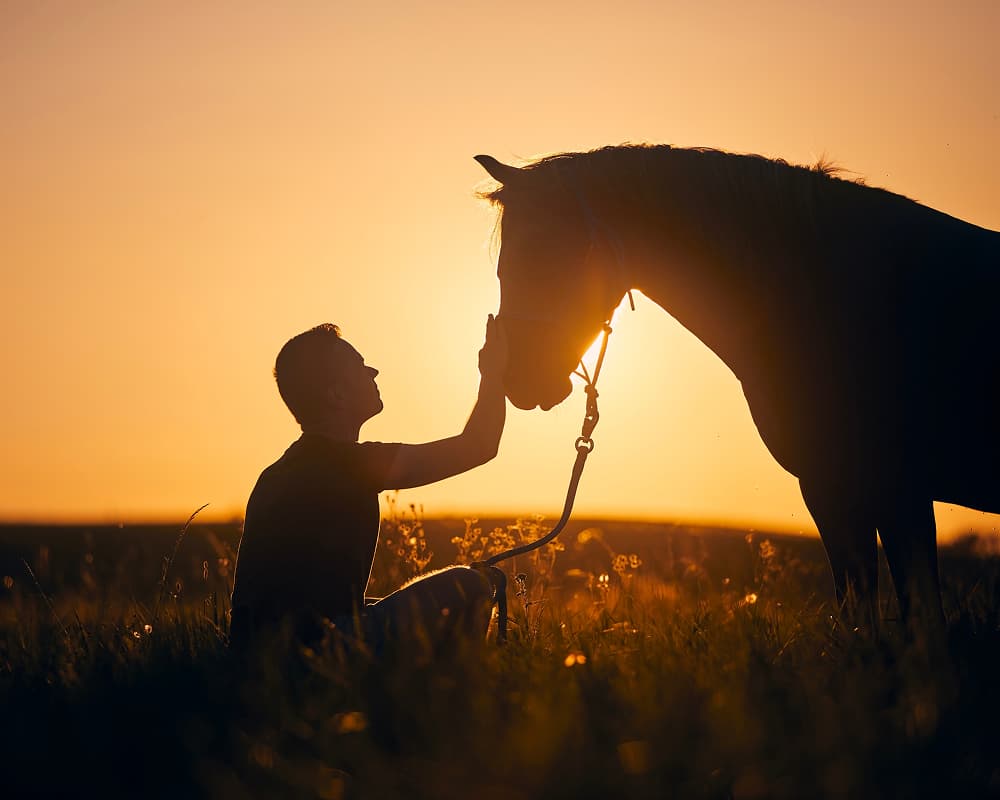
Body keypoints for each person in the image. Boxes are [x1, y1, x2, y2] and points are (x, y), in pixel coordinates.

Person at [229, 316, 507, 653]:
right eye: (360, 367)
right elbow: (478, 446)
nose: (373, 372)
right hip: (312, 653)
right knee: (471, 585)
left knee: (374, 604)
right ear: (337, 394)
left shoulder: (279, 473)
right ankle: (455, 680)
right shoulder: (347, 464)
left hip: (257, 657)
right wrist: (493, 373)